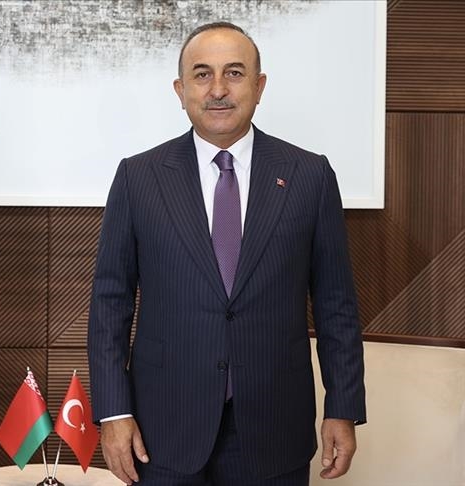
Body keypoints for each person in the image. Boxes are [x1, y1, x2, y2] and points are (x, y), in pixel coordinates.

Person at [87, 22, 366, 485]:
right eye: (202, 74)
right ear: (180, 91)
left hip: (275, 426)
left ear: (259, 86)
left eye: (234, 73)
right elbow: (109, 302)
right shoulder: (139, 177)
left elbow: (336, 305)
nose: (218, 89)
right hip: (162, 428)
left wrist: (343, 406)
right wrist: (113, 411)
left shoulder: (310, 175)